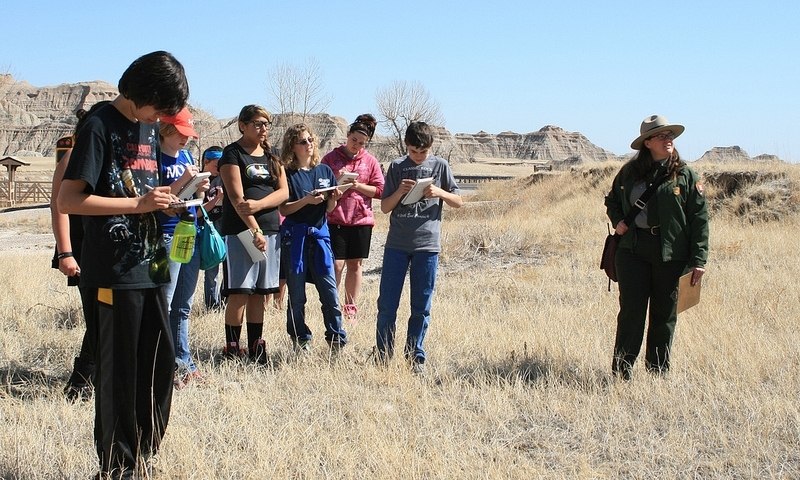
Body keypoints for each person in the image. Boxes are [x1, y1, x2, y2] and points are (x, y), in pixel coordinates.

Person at [57, 50, 188, 479]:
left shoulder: (146, 127)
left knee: (159, 366)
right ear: (141, 91)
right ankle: (117, 468)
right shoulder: (99, 126)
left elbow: (141, 191)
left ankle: (144, 455)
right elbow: (68, 199)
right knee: (119, 378)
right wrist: (138, 205)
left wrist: (166, 202)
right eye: (160, 107)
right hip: (113, 271)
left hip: (151, 265)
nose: (161, 117)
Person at [604, 115, 709, 380]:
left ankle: (657, 373)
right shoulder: (629, 173)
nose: (668, 140)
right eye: (661, 136)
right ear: (647, 143)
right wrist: (618, 221)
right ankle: (622, 373)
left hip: (671, 253)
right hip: (633, 251)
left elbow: (699, 218)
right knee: (631, 313)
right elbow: (612, 200)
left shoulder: (684, 175)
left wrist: (698, 259)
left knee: (664, 315)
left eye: (670, 135)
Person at [375, 121, 462, 374]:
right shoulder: (397, 167)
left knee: (421, 306)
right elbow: (384, 207)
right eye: (413, 151)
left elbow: (458, 201)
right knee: (387, 304)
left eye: (423, 152)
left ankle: (415, 357)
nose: (418, 156)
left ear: (431, 147)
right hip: (396, 245)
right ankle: (383, 355)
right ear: (406, 145)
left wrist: (440, 193)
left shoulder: (440, 166)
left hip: (427, 245)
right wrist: (399, 193)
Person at [50, 100, 110, 401]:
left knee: (107, 317)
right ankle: (81, 382)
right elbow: (58, 208)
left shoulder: (107, 154)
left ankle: (97, 377)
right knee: (98, 318)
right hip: (82, 249)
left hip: (106, 249)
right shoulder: (73, 155)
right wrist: (65, 253)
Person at [218, 105, 287, 363]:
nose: (263, 128)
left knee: (260, 291)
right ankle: (232, 347)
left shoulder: (272, 154)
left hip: (270, 230)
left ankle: (256, 345)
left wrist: (259, 205)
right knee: (240, 290)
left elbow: (284, 192)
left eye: (266, 124)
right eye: (257, 123)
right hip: (242, 231)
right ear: (242, 125)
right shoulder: (232, 153)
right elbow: (237, 199)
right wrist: (254, 229)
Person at [279, 123, 348, 353]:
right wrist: (306, 201)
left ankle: (336, 338)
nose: (308, 144)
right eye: (302, 141)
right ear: (292, 146)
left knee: (330, 293)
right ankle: (300, 339)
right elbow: (284, 209)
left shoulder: (324, 171)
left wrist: (333, 198)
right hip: (295, 239)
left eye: (310, 139)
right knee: (297, 296)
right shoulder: (287, 174)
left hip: (320, 238)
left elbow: (329, 209)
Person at [157, 108, 210, 389]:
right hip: (166, 235)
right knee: (163, 303)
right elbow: (157, 200)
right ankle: (160, 366)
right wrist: (182, 182)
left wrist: (201, 186)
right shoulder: (155, 157)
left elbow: (194, 196)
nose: (185, 139)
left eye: (188, 134)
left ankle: (183, 362)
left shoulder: (187, 157)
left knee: (183, 305)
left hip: (190, 230)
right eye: (180, 133)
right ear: (166, 129)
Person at [321, 114, 385, 322]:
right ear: (347, 135)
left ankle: (350, 306)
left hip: (361, 220)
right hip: (335, 218)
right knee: (336, 264)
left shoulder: (370, 161)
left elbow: (380, 190)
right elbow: (320, 184)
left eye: (361, 143)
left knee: (355, 264)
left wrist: (357, 186)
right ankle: (331, 304)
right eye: (354, 140)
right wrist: (336, 184)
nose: (356, 145)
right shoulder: (331, 158)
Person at [201, 145, 225, 310]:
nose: (219, 169)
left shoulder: (225, 178)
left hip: (225, 226)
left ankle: (224, 302)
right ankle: (211, 305)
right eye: (216, 165)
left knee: (229, 271)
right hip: (209, 230)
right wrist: (217, 199)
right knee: (211, 272)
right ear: (206, 161)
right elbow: (199, 211)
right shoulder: (200, 181)